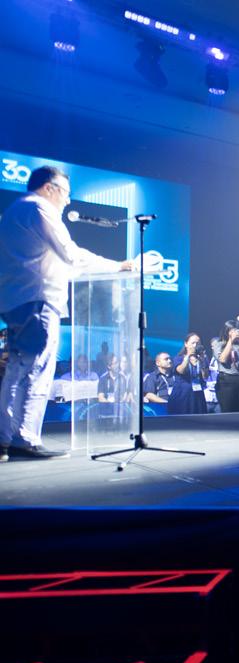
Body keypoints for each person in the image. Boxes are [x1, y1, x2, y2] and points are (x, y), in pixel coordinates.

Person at [0, 166, 132, 460]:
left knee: (19, 370)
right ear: (49, 188)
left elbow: (56, 262)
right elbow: (71, 255)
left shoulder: (16, 211)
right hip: (37, 302)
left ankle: (8, 439)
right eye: (66, 193)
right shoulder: (39, 208)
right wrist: (117, 265)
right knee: (35, 372)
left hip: (21, 301)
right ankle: (23, 438)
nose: (68, 200)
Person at [213, 320, 239, 413]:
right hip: (227, 381)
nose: (236, 333)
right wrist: (231, 341)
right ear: (227, 331)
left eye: (237, 330)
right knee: (228, 411)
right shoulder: (219, 343)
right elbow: (223, 359)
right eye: (233, 331)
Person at [169, 332, 208, 415]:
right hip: (182, 394)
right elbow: (181, 371)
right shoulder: (179, 358)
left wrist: (202, 361)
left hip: (198, 394)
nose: (195, 345)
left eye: (198, 343)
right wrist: (188, 356)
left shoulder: (202, 358)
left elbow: (205, 376)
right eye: (193, 343)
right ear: (186, 344)